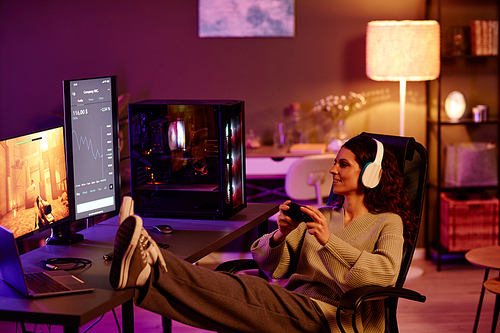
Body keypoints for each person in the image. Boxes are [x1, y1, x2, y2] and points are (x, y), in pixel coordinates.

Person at [109, 134, 415, 333]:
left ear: (370, 173)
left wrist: (329, 242)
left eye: (343, 164)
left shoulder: (388, 223)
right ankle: (144, 275)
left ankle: (152, 259)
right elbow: (270, 265)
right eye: (334, 163)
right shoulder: (322, 215)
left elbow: (381, 277)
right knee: (222, 304)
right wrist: (280, 236)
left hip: (336, 320)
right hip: (295, 307)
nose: (333, 170)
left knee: (246, 293)